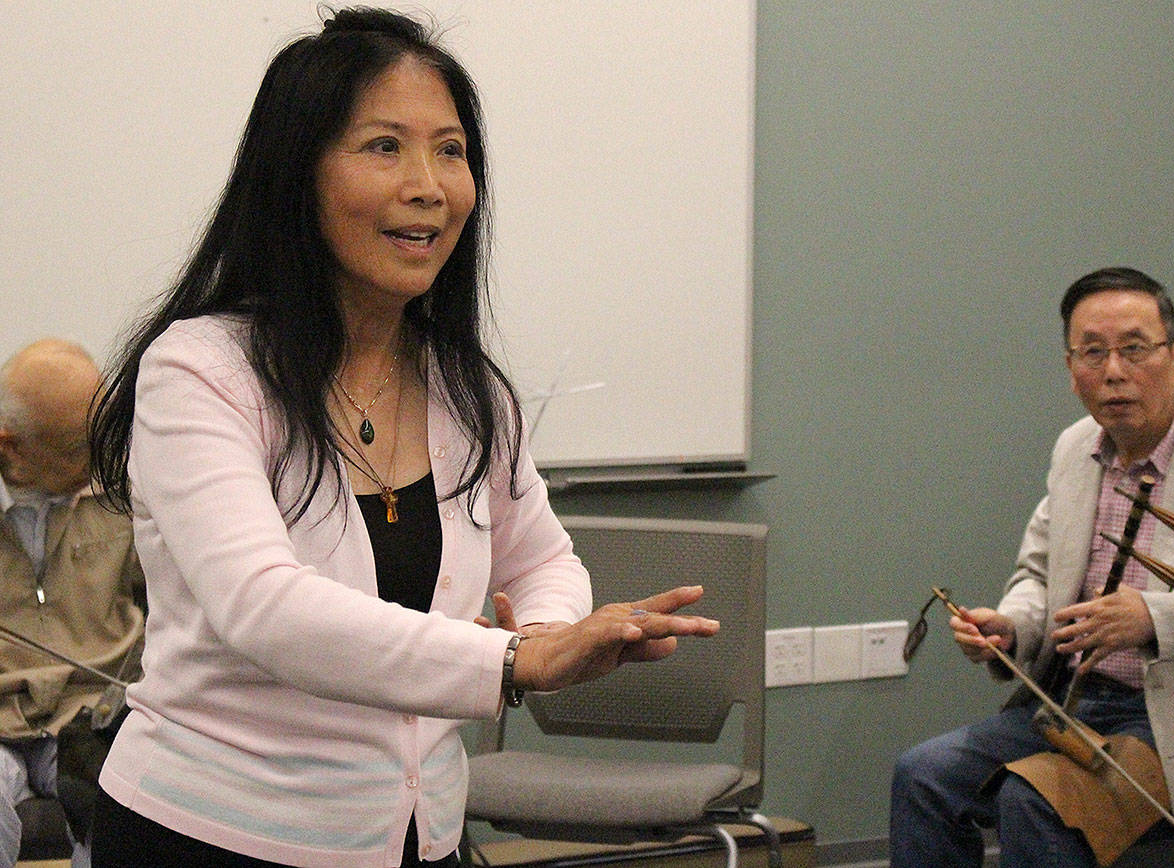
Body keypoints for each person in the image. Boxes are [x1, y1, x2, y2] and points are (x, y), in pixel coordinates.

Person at [85, 9, 718, 868]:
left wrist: (548, 631)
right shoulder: (201, 370)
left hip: (422, 836)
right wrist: (516, 661)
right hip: (215, 833)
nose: (430, 185)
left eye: (450, 150)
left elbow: (542, 560)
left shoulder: (467, 387)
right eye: (385, 146)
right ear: (295, 176)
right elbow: (264, 608)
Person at [890, 267, 1174, 868]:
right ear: (1070, 366)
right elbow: (1037, 574)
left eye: (1135, 349)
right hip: (1073, 703)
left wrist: (1155, 617)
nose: (1114, 371)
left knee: (1034, 800)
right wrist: (1011, 626)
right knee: (923, 775)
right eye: (1093, 352)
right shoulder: (1075, 449)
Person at [0, 339, 145, 868]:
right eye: (74, 449)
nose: (95, 461)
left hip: (96, 714)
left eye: (100, 437)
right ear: (10, 447)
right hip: (3, 722)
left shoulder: (124, 494)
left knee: (126, 804)